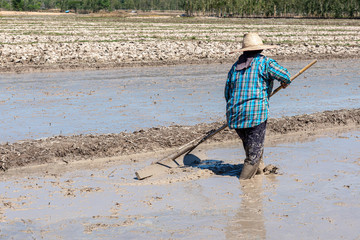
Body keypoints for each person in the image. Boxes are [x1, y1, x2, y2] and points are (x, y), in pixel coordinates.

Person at [224, 32, 291, 180]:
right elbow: (286, 76)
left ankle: (259, 172)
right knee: (252, 156)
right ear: (260, 49)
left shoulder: (235, 67)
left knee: (251, 146)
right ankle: (244, 184)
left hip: (235, 115)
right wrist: (284, 83)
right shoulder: (265, 63)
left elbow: (227, 93)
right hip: (255, 114)